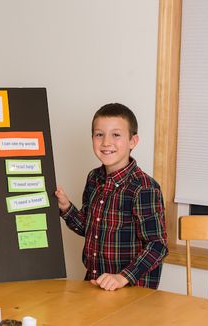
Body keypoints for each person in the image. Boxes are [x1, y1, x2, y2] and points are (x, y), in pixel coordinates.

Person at [55, 103, 168, 291]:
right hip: (94, 284)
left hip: (131, 290)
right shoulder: (94, 178)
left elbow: (157, 246)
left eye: (116, 135)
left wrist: (122, 277)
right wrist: (66, 207)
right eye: (99, 134)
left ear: (133, 141)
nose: (106, 142)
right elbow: (89, 228)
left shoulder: (144, 188)